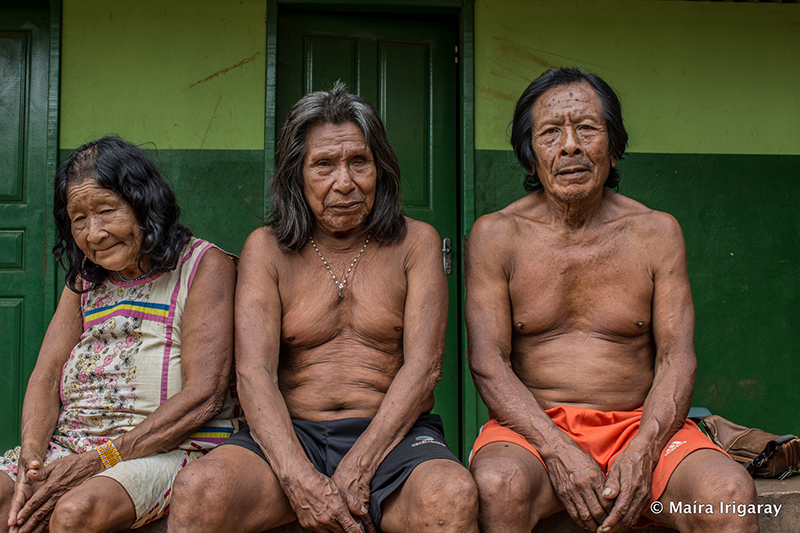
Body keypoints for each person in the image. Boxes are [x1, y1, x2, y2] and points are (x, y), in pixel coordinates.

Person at [167, 83, 478, 533]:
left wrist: (358, 468)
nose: (344, 182)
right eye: (324, 165)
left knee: (451, 496)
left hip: (395, 437)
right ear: (297, 175)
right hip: (292, 434)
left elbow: (424, 368)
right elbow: (253, 374)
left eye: (359, 162)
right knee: (200, 489)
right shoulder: (266, 249)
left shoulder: (417, 243)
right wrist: (299, 478)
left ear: (381, 169)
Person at [466, 68, 759, 533]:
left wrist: (644, 447)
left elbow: (676, 359)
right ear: (529, 155)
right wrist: (557, 449)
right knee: (499, 484)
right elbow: (488, 362)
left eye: (587, 128)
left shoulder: (656, 233)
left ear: (614, 145)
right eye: (549, 133)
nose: (570, 146)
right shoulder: (496, 236)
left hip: (643, 426)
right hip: (533, 432)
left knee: (731, 497)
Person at [0, 136, 241, 533]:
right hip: (73, 448)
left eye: (106, 211)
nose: (93, 234)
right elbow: (46, 376)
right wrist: (32, 459)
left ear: (144, 205)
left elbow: (205, 395)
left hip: (164, 450)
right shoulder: (85, 280)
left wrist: (98, 462)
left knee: (75, 514)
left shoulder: (204, 265)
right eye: (79, 220)